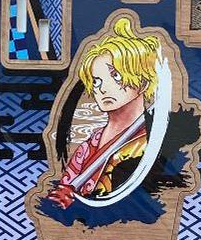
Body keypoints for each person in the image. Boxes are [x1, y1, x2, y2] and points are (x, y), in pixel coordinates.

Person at [49, 17, 158, 207]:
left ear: (143, 81)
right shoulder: (89, 146)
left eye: (115, 75)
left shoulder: (154, 140)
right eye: (96, 81)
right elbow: (66, 189)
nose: (102, 88)